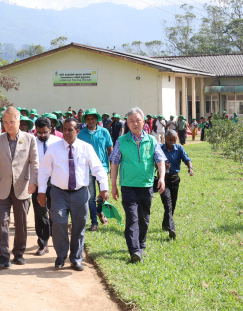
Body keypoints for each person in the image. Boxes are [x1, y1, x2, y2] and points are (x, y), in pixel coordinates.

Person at [38, 118, 109, 271]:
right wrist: (42, 192)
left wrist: (104, 188)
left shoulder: (86, 148)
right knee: (58, 223)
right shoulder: (53, 148)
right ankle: (61, 255)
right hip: (58, 193)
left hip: (80, 193)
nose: (67, 132)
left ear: (77, 131)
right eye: (64, 129)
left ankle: (76, 258)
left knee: (79, 225)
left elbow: (97, 168)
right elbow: (44, 171)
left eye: (70, 129)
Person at [109, 107, 167, 263]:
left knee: (144, 217)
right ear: (127, 123)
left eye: (138, 120)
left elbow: (160, 160)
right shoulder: (121, 141)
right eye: (131, 121)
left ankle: (141, 244)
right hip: (128, 185)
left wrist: (161, 177)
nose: (135, 123)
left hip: (146, 185)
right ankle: (134, 250)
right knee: (132, 217)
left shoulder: (152, 140)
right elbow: (114, 163)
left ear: (144, 122)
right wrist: (113, 185)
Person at [0, 107, 40, 269]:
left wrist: (33, 181)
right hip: (1, 186)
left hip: (22, 186)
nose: (9, 125)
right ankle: (3, 255)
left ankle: (18, 252)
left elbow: (34, 163)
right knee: (2, 222)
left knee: (21, 221)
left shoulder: (30, 139)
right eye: (5, 122)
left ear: (19, 122)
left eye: (12, 122)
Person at [77, 108, 113, 232]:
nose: (91, 120)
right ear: (85, 120)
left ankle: (99, 210)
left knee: (104, 194)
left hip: (102, 168)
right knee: (91, 196)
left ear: (97, 119)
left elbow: (110, 150)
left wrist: (112, 167)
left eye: (93, 118)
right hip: (87, 170)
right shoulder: (81, 134)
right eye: (88, 119)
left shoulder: (104, 132)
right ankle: (94, 221)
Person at [33, 117, 61, 256]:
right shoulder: (32, 143)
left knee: (55, 213)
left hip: (55, 183)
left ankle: (56, 242)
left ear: (51, 129)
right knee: (40, 213)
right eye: (39, 133)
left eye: (45, 132)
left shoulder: (58, 142)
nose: (42, 135)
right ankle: (43, 244)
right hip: (38, 183)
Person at [160, 130, 193, 239]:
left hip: (175, 180)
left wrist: (190, 168)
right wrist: (161, 165)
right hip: (163, 180)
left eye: (175, 140)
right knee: (167, 204)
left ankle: (165, 224)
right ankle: (171, 228)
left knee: (172, 205)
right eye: (170, 140)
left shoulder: (179, 149)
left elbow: (187, 159)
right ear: (165, 138)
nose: (172, 142)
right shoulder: (160, 149)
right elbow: (153, 162)